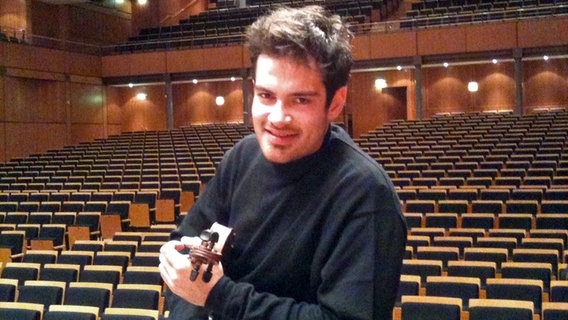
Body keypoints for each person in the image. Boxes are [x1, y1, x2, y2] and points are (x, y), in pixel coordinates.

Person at [159, 5, 407, 320]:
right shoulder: (242, 157)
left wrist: (218, 295)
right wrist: (182, 268)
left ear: (335, 103)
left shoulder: (366, 194)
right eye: (266, 96)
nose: (278, 117)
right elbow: (185, 241)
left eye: (300, 99)